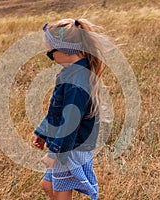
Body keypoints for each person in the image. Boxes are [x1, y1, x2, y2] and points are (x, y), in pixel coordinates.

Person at [33, 18, 104, 200]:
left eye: (50, 52)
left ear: (65, 50)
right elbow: (56, 112)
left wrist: (56, 154)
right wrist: (42, 132)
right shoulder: (70, 73)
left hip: (71, 147)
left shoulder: (76, 82)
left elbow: (70, 123)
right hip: (65, 144)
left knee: (61, 192)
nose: (49, 55)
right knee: (48, 185)